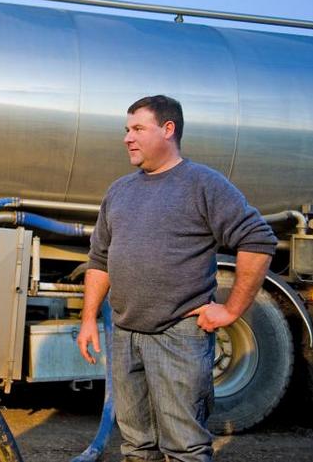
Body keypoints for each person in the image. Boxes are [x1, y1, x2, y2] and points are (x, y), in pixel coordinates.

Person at [77, 95, 277, 462]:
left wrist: (231, 310)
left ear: (168, 130)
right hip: (126, 334)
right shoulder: (119, 190)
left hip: (179, 335)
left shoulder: (202, 184)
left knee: (184, 447)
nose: (127, 138)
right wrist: (89, 318)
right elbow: (100, 259)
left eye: (138, 128)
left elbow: (258, 239)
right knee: (136, 445)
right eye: (126, 130)